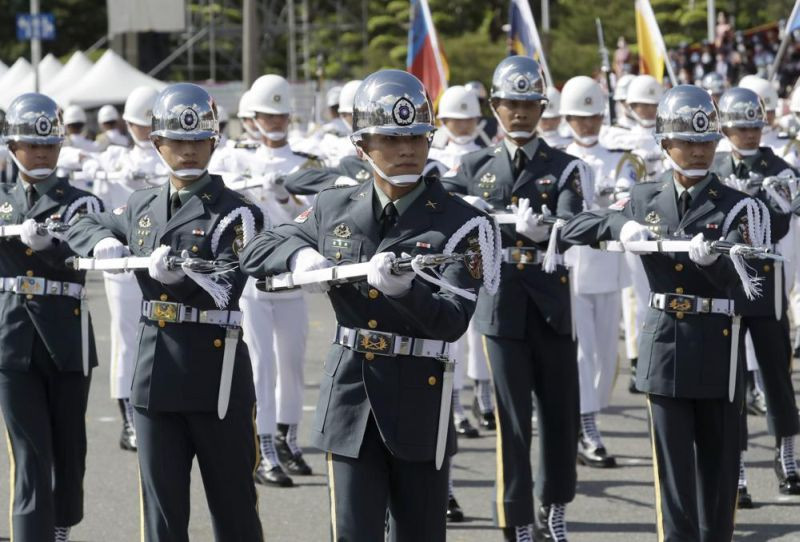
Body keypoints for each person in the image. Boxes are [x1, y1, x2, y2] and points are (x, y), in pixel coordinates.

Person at [240, 69, 493, 542]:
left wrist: (405, 291)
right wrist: (301, 253)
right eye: (391, 138)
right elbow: (256, 250)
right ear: (361, 146)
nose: (406, 149)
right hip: (351, 391)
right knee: (353, 532)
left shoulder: (462, 222)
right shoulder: (333, 207)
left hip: (420, 390)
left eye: (417, 137)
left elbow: (453, 319)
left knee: (419, 533)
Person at [65, 83, 264, 542]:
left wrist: (180, 276)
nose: (189, 150)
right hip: (156, 376)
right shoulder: (140, 206)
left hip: (217, 374)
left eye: (198, 140)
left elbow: (227, 285)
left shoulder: (238, 212)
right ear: (157, 144)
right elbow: (85, 222)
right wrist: (104, 241)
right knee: (162, 516)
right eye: (177, 140)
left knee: (234, 508)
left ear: (214, 142)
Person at [561, 84, 757, 542]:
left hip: (716, 344)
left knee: (719, 470)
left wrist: (718, 267)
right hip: (665, 343)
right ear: (665, 144)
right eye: (687, 141)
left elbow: (752, 285)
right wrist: (621, 224)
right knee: (672, 478)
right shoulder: (645, 198)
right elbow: (576, 225)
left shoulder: (737, 205)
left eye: (707, 142)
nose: (698, 151)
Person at [441, 56, 590, 542]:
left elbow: (570, 224)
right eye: (510, 104)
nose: (519, 113)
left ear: (541, 107)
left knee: (560, 412)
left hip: (551, 302)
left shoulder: (566, 166)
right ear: (495, 106)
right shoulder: (474, 165)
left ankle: (555, 505)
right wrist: (477, 210)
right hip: (501, 301)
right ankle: (516, 516)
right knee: (511, 420)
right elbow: (446, 217)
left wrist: (536, 225)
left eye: (529, 104)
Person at [0, 92, 102, 542]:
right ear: (12, 147)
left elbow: (86, 243)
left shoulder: (82, 202)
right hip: (12, 338)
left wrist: (52, 246)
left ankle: (60, 524)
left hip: (66, 337)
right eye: (30, 144)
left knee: (69, 449)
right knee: (29, 452)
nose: (40, 152)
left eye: (49, 145)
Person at [211, 73, 317, 487]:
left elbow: (317, 220)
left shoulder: (304, 162)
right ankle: (265, 444)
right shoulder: (233, 157)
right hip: (253, 279)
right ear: (251, 117)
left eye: (280, 115)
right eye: (265, 115)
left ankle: (289, 438)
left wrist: (287, 197)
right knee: (261, 365)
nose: (273, 122)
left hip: (291, 275)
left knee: (291, 363)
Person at [712, 86, 800, 504]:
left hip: (764, 282)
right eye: (739, 127)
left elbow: (781, 226)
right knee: (730, 380)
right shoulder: (709, 166)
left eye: (754, 126)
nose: (748, 134)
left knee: (776, 375)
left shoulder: (780, 168)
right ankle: (737, 467)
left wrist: (761, 198)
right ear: (724, 127)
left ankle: (787, 455)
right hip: (727, 282)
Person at [81, 85, 166, 452]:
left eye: (150, 126)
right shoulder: (116, 158)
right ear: (128, 126)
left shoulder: (170, 159)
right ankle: (129, 418)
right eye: (138, 126)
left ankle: (155, 408)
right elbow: (96, 171)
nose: (144, 133)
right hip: (125, 259)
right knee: (127, 338)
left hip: (164, 258)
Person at [560, 75, 637, 468]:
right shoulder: (559, 159)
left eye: (592, 116)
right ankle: (586, 426)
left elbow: (631, 196)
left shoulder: (618, 156)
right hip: (573, 267)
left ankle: (588, 417)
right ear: (567, 118)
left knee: (607, 356)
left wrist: (614, 198)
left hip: (607, 266)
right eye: (579, 117)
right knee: (582, 353)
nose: (587, 124)